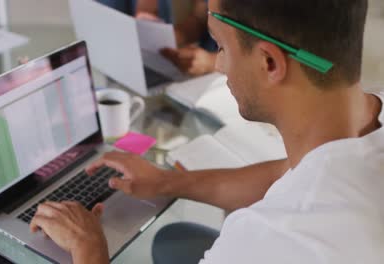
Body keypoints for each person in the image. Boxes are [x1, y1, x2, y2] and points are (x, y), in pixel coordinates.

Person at [30, 0, 384, 263]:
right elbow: (293, 173)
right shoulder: (359, 130)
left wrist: (88, 248)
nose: (218, 64)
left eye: (220, 45)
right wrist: (166, 182)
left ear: (269, 62)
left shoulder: (272, 238)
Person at [97, 0, 218, 76]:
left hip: (224, 76)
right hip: (199, 72)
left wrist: (211, 62)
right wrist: (172, 37)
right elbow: (200, 18)